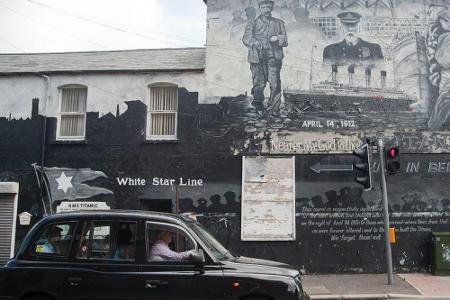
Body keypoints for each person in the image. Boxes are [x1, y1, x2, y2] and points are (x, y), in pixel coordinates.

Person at [242, 0, 288, 111]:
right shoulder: (253, 22)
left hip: (273, 57)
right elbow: (246, 38)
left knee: (275, 83)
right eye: (263, 7)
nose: (266, 9)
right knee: (258, 83)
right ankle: (258, 105)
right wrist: (255, 42)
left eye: (268, 7)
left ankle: (273, 108)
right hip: (257, 57)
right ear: (259, 8)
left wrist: (278, 38)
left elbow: (285, 40)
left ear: (272, 8)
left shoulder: (279, 23)